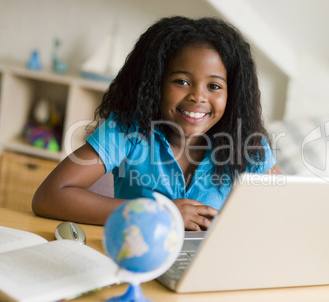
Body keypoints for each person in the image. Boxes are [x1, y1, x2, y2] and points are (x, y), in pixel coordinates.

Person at [32, 16, 280, 230]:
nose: (198, 96)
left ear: (233, 94)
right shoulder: (127, 129)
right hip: (137, 257)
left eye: (214, 86)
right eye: (181, 81)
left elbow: (283, 215)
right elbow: (49, 196)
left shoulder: (248, 145)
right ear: (154, 84)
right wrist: (156, 213)